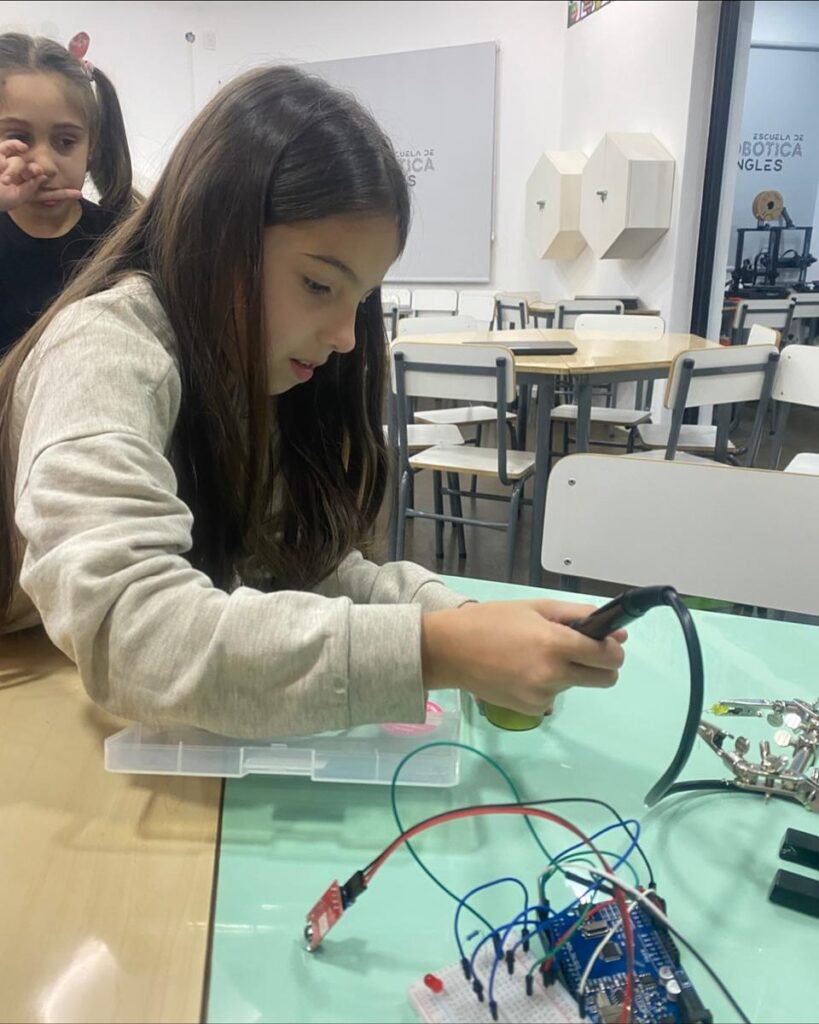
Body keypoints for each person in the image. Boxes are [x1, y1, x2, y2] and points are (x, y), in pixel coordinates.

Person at [0, 65, 625, 738]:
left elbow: (291, 560)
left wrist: (456, 619)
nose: (345, 337)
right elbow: (135, 632)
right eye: (319, 285)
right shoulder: (103, 350)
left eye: (361, 299)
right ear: (217, 235)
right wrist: (434, 651)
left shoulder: (238, 366)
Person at [0, 33, 137, 355]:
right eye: (20, 138)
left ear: (92, 145)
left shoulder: (121, 240)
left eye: (65, 142)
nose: (44, 165)